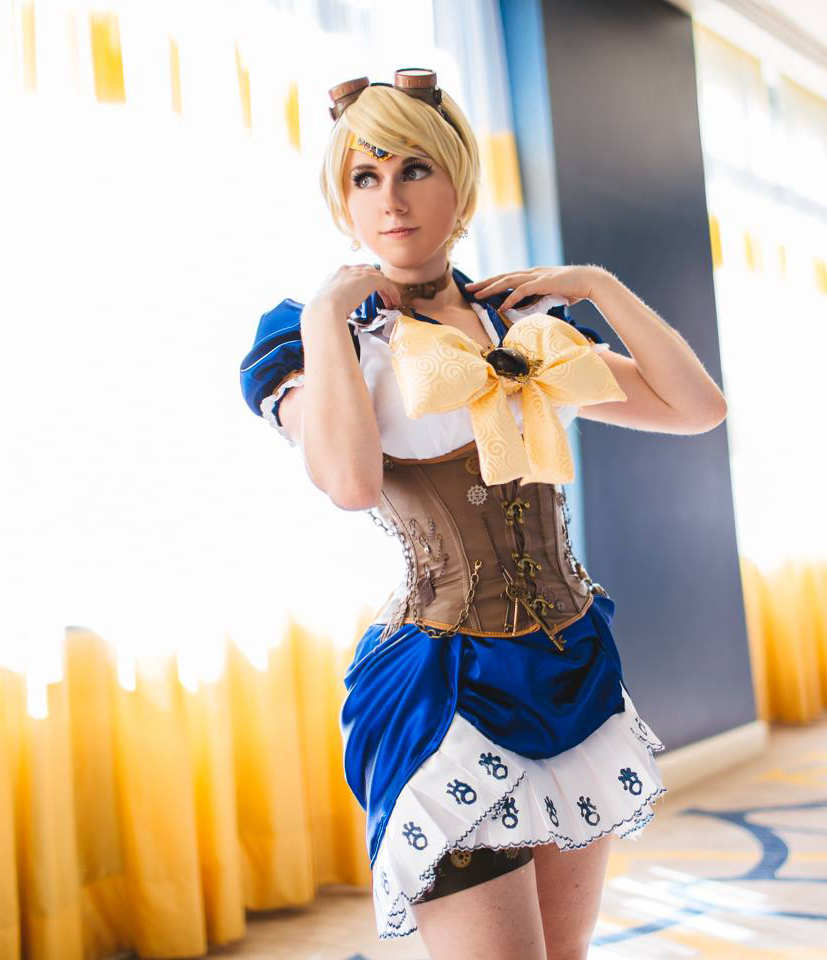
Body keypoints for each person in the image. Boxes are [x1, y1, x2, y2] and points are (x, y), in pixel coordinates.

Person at [238, 67, 727, 959]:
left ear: (459, 183)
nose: (390, 199)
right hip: (443, 692)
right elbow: (349, 482)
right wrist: (325, 315)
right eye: (364, 176)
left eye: (414, 169)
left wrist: (598, 287)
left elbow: (696, 408)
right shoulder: (318, 337)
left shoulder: (519, 321)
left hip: (572, 668)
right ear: (343, 198)